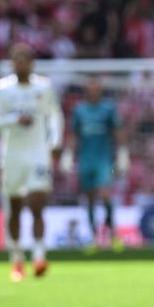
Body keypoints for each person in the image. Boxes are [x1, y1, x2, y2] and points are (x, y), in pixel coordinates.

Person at [0, 43, 64, 281]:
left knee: (38, 203)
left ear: (32, 63)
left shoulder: (44, 87)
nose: (21, 63)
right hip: (12, 156)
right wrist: (15, 119)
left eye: (25, 59)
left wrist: (56, 142)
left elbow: (55, 115)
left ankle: (39, 257)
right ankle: (16, 260)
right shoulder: (3, 89)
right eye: (17, 59)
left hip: (38, 153)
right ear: (11, 64)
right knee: (15, 209)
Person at [65, 76, 127, 253]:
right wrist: (68, 154)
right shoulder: (79, 110)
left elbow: (117, 130)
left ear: (100, 90)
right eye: (90, 88)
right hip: (86, 159)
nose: (93, 91)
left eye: (96, 87)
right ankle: (93, 237)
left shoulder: (108, 109)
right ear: (87, 90)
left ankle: (112, 232)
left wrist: (122, 153)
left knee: (105, 194)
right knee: (90, 197)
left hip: (104, 159)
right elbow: (74, 134)